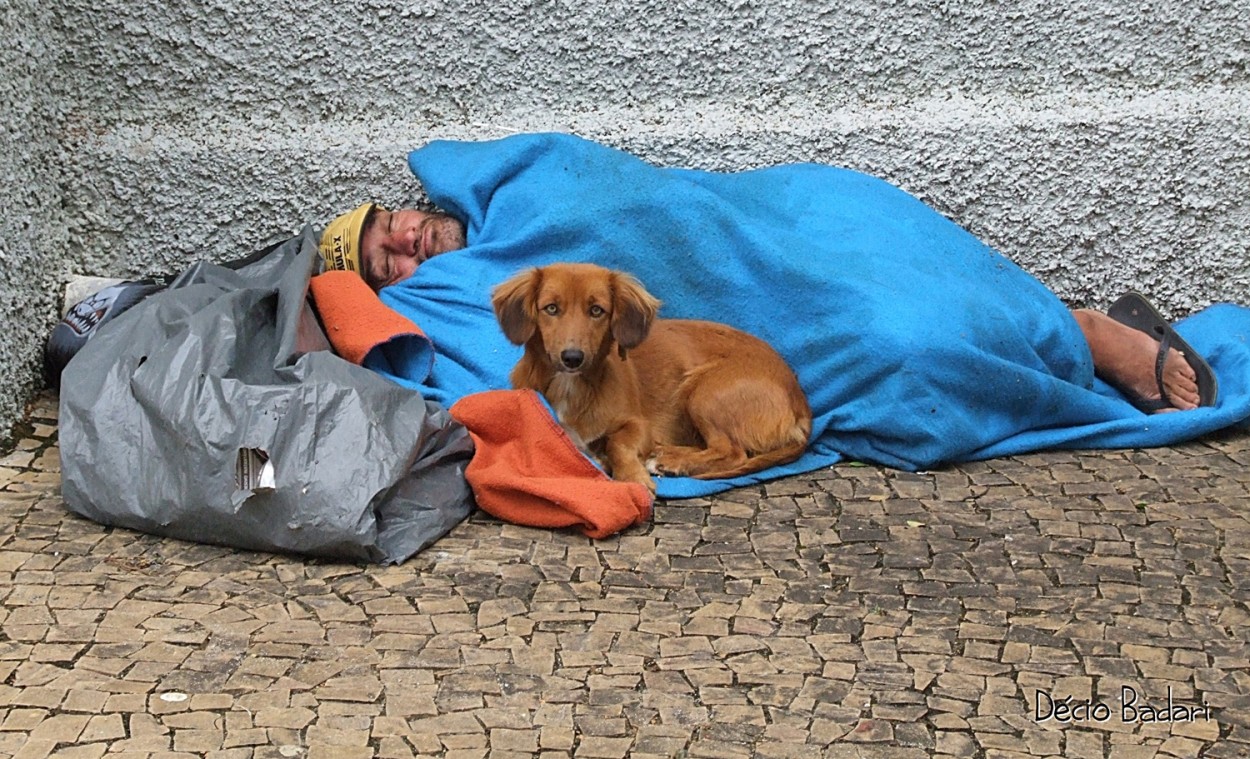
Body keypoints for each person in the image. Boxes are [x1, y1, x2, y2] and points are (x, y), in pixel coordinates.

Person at [320, 199, 1206, 415]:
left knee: (851, 236)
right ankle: (1065, 338)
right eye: (380, 260)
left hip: (739, 224)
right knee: (889, 343)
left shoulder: (507, 200)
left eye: (388, 223)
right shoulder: (473, 297)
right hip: (715, 347)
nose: (400, 242)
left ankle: (1069, 323)